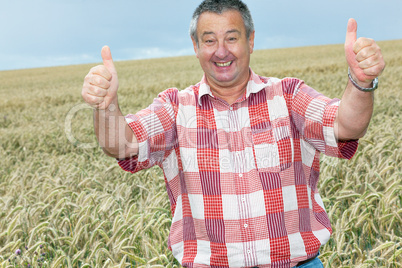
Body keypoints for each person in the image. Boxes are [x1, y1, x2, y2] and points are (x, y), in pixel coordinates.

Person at [81, 0, 385, 267]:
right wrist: (105, 107)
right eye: (209, 40)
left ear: (250, 41)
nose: (221, 51)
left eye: (232, 38)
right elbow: (123, 144)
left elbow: (345, 126)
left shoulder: (288, 95)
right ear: (195, 46)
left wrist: (361, 83)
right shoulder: (174, 108)